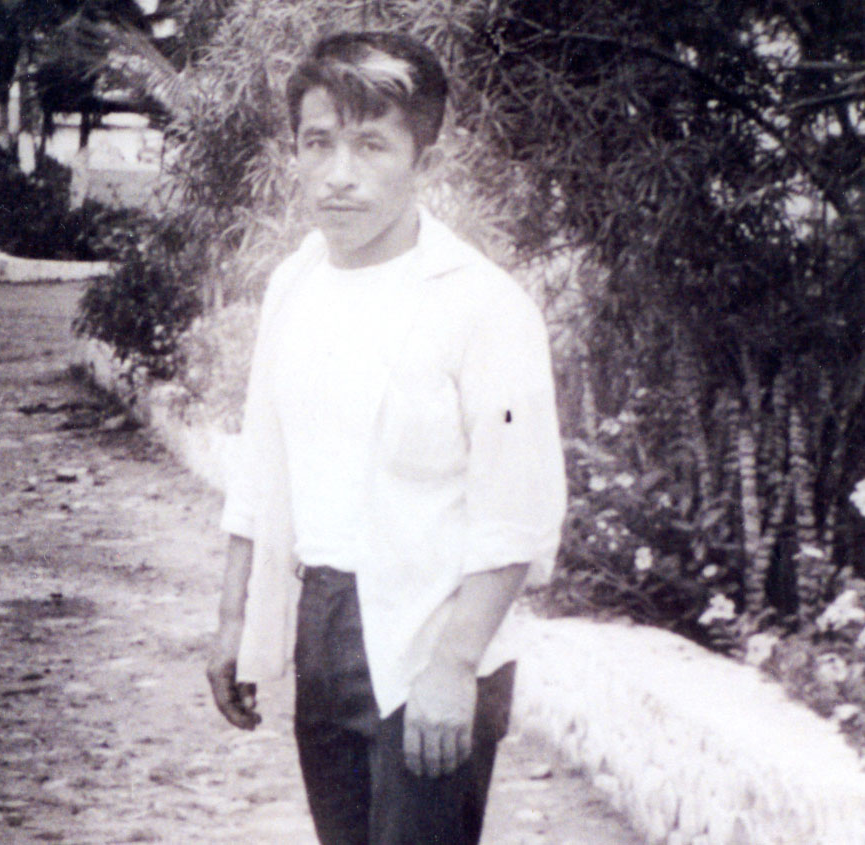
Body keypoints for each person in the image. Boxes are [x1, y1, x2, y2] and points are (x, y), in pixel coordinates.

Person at [206, 30, 567, 845]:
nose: (340, 174)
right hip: (327, 619)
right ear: (294, 151)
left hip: (436, 627)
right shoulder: (294, 283)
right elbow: (262, 465)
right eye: (318, 142)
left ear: (424, 161)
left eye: (371, 145)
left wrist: (452, 667)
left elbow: (519, 511)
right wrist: (236, 618)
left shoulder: (483, 305)